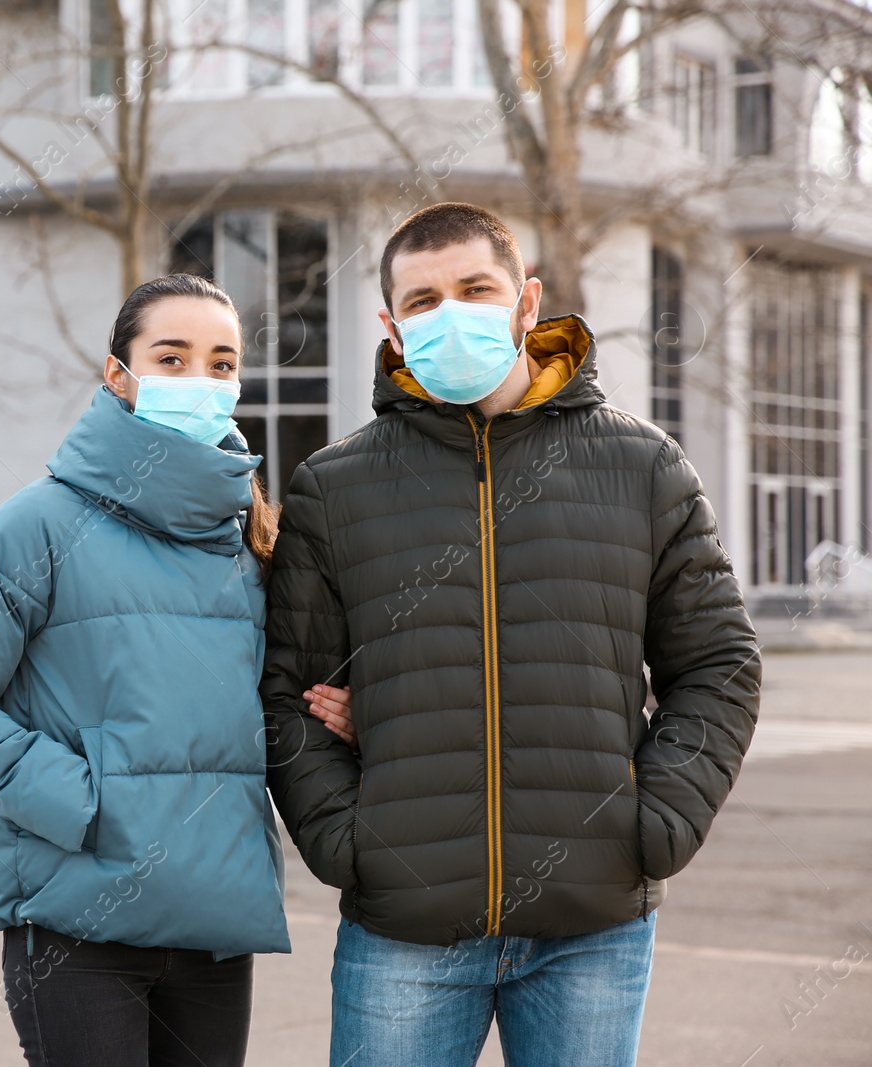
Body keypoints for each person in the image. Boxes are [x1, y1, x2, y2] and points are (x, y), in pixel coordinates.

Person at [261, 202, 761, 1067]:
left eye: (475, 289)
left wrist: (659, 824)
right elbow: (287, 694)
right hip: (406, 929)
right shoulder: (333, 487)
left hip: (593, 927)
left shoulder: (643, 467)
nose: (449, 312)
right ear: (390, 324)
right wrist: (352, 840)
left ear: (527, 304)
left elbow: (717, 664)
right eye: (422, 301)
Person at [0, 274, 343, 1066]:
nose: (199, 381)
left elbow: (273, 699)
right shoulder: (34, 528)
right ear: (118, 375)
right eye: (171, 357)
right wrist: (85, 802)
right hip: (78, 923)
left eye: (220, 363)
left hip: (212, 919)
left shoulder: (251, 533)